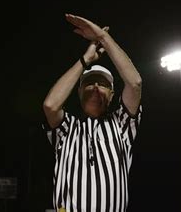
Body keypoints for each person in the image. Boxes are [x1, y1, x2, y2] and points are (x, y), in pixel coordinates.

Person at [42, 14, 142, 211]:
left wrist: (103, 38)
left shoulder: (121, 126)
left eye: (103, 84)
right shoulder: (67, 128)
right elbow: (50, 105)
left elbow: (135, 83)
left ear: (112, 95)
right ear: (78, 92)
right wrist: (85, 59)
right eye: (89, 82)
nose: (96, 86)